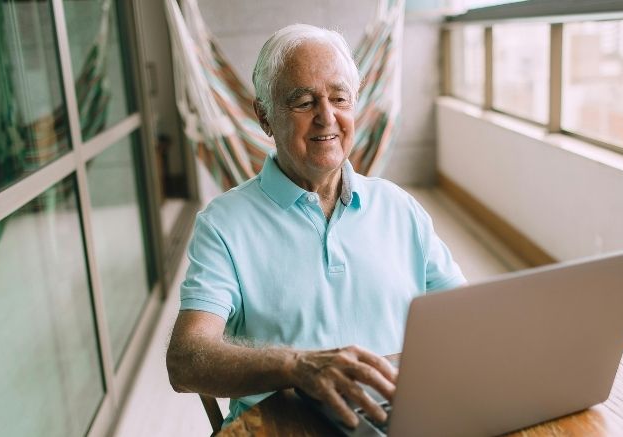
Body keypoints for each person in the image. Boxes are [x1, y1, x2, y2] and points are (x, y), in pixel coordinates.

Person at [166, 23, 465, 429]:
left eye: (339, 98)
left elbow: (468, 322)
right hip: (284, 425)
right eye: (303, 102)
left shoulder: (399, 207)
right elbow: (186, 359)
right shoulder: (223, 225)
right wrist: (298, 366)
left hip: (398, 417)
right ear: (265, 117)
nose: (327, 118)